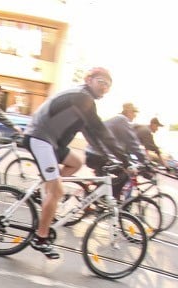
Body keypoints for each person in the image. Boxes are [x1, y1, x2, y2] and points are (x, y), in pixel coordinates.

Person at [22, 66, 130, 259]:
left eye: (108, 85)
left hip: (52, 142)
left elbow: (92, 135)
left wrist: (109, 157)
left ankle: (48, 192)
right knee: (58, 192)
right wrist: (124, 160)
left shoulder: (84, 101)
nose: (104, 87)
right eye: (101, 82)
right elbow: (100, 131)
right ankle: (40, 238)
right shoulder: (83, 98)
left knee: (76, 162)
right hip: (40, 138)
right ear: (89, 80)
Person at [84, 102, 148, 200]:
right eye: (134, 112)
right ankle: (109, 201)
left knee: (108, 179)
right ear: (128, 111)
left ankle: (96, 198)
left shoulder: (117, 120)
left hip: (93, 152)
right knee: (126, 173)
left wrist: (128, 159)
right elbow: (133, 143)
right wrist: (144, 160)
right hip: (98, 155)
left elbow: (123, 146)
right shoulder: (122, 120)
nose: (135, 115)